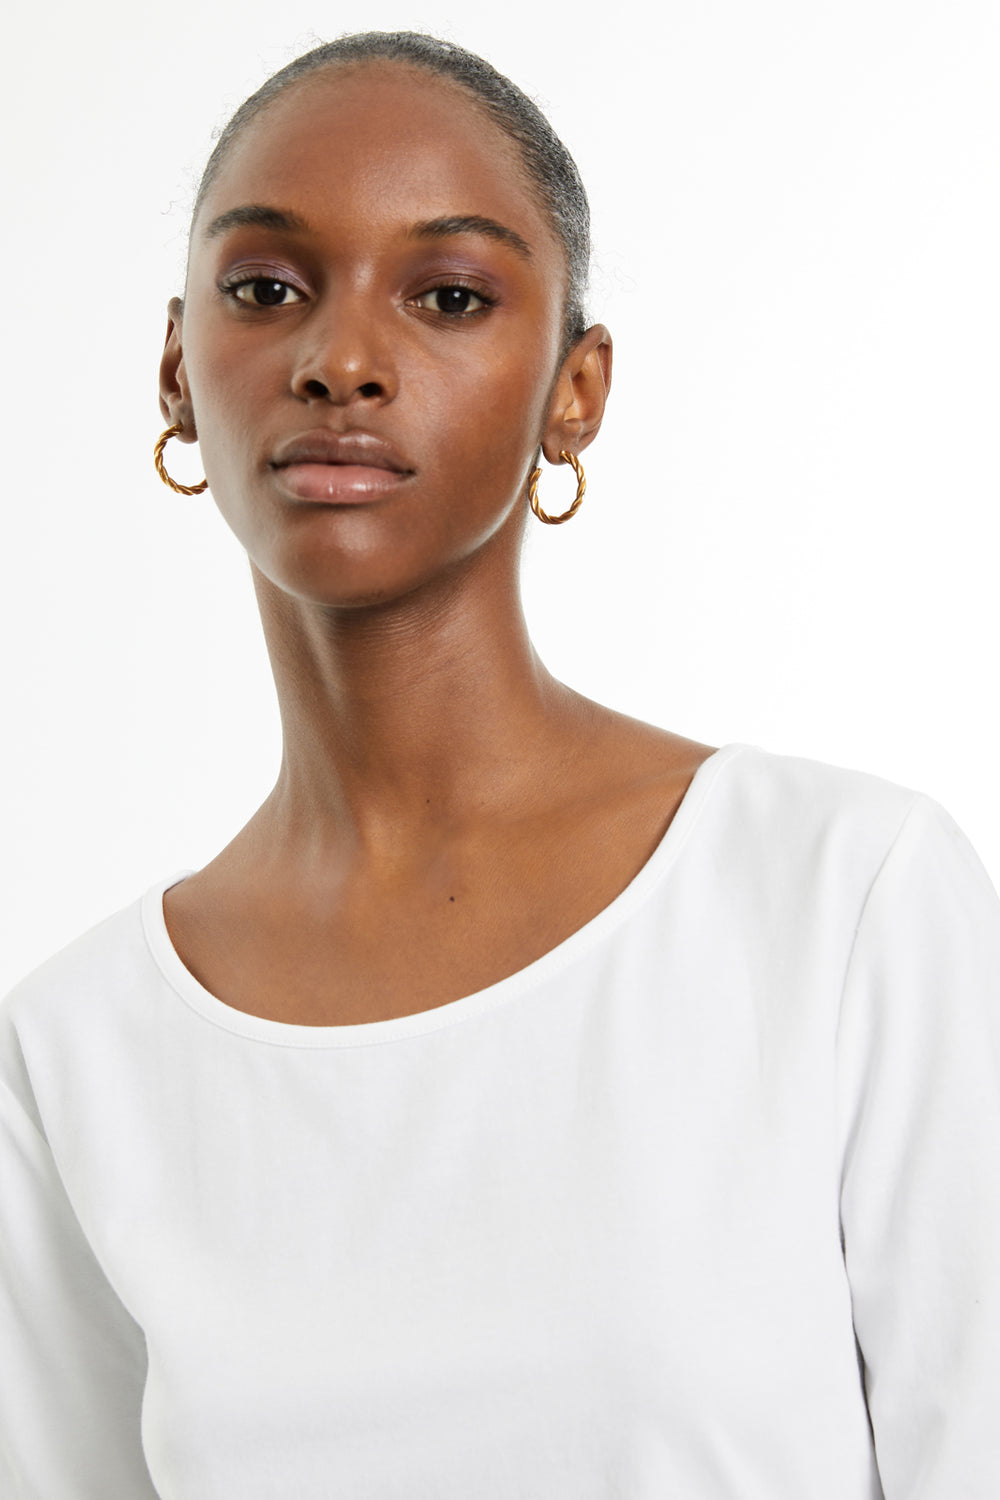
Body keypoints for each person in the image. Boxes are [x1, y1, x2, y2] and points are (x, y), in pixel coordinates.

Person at [1, 30, 997, 1499]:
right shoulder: (77, 1054)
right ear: (176, 368)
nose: (339, 362)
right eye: (266, 289)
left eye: (450, 296)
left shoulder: (841, 900)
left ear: (573, 390)